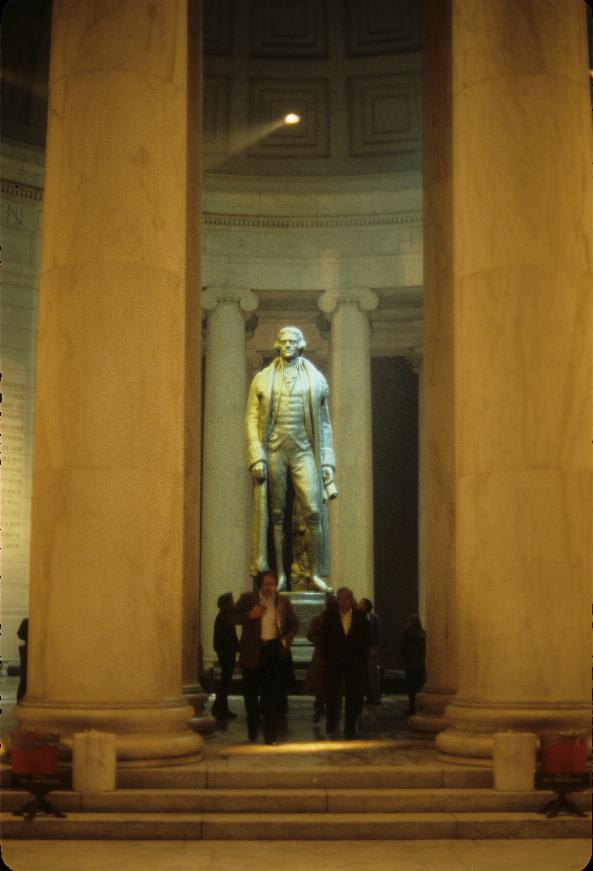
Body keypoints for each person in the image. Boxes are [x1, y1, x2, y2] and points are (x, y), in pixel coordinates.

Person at [245, 326, 337, 593]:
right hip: (274, 449)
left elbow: (325, 424)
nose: (286, 345)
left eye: (292, 341)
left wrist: (328, 462)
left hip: (303, 450)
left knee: (314, 511)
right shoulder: (262, 379)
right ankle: (282, 574)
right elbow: (251, 418)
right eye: (282, 341)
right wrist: (256, 457)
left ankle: (315, 572)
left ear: (300, 345)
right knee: (277, 514)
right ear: (277, 344)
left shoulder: (316, 379)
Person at [232, 571, 298, 744]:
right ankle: (252, 730)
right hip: (253, 651)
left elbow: (293, 623)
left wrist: (285, 642)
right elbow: (231, 617)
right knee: (251, 695)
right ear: (260, 584)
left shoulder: (282, 601)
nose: (270, 587)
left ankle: (271, 736)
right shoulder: (248, 598)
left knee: (271, 694)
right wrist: (249, 616)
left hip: (273, 650)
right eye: (267, 584)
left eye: (273, 584)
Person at [320, 587, 371, 739]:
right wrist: (327, 658)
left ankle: (350, 727)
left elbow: (365, 639)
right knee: (332, 694)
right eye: (341, 598)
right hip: (334, 662)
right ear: (337, 600)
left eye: (347, 598)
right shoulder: (329, 616)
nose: (344, 602)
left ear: (352, 599)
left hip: (353, 662)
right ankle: (331, 722)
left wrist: (361, 659)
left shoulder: (360, 616)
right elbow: (323, 639)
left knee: (353, 695)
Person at [303, 593, 337, 724]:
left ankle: (319, 709)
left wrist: (320, 642)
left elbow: (310, 636)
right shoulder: (336, 619)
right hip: (331, 655)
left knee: (320, 686)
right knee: (329, 685)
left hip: (321, 655)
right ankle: (328, 711)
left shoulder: (319, 619)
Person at [211, 593, 239, 720]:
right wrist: (237, 647)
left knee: (225, 682)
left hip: (227, 652)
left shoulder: (224, 617)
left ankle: (220, 707)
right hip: (226, 653)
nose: (233, 603)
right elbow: (226, 637)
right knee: (225, 682)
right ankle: (219, 707)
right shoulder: (224, 618)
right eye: (231, 602)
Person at [401, 614, 426, 716]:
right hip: (420, 663)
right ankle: (422, 705)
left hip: (410, 663)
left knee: (411, 688)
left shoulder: (406, 632)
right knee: (420, 685)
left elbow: (402, 647)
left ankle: (412, 707)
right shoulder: (423, 633)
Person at [358, 598, 382, 704]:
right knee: (364, 673)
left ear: (366, 606)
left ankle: (375, 696)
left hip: (371, 648)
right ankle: (366, 694)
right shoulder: (357, 617)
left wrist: (375, 645)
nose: (358, 604)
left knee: (372, 673)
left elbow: (379, 632)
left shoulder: (374, 617)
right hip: (361, 648)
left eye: (361, 603)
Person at [16, 617, 28, 703]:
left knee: (24, 677)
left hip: (26, 650)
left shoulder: (26, 621)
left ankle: (20, 700)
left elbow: (20, 634)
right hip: (31, 650)